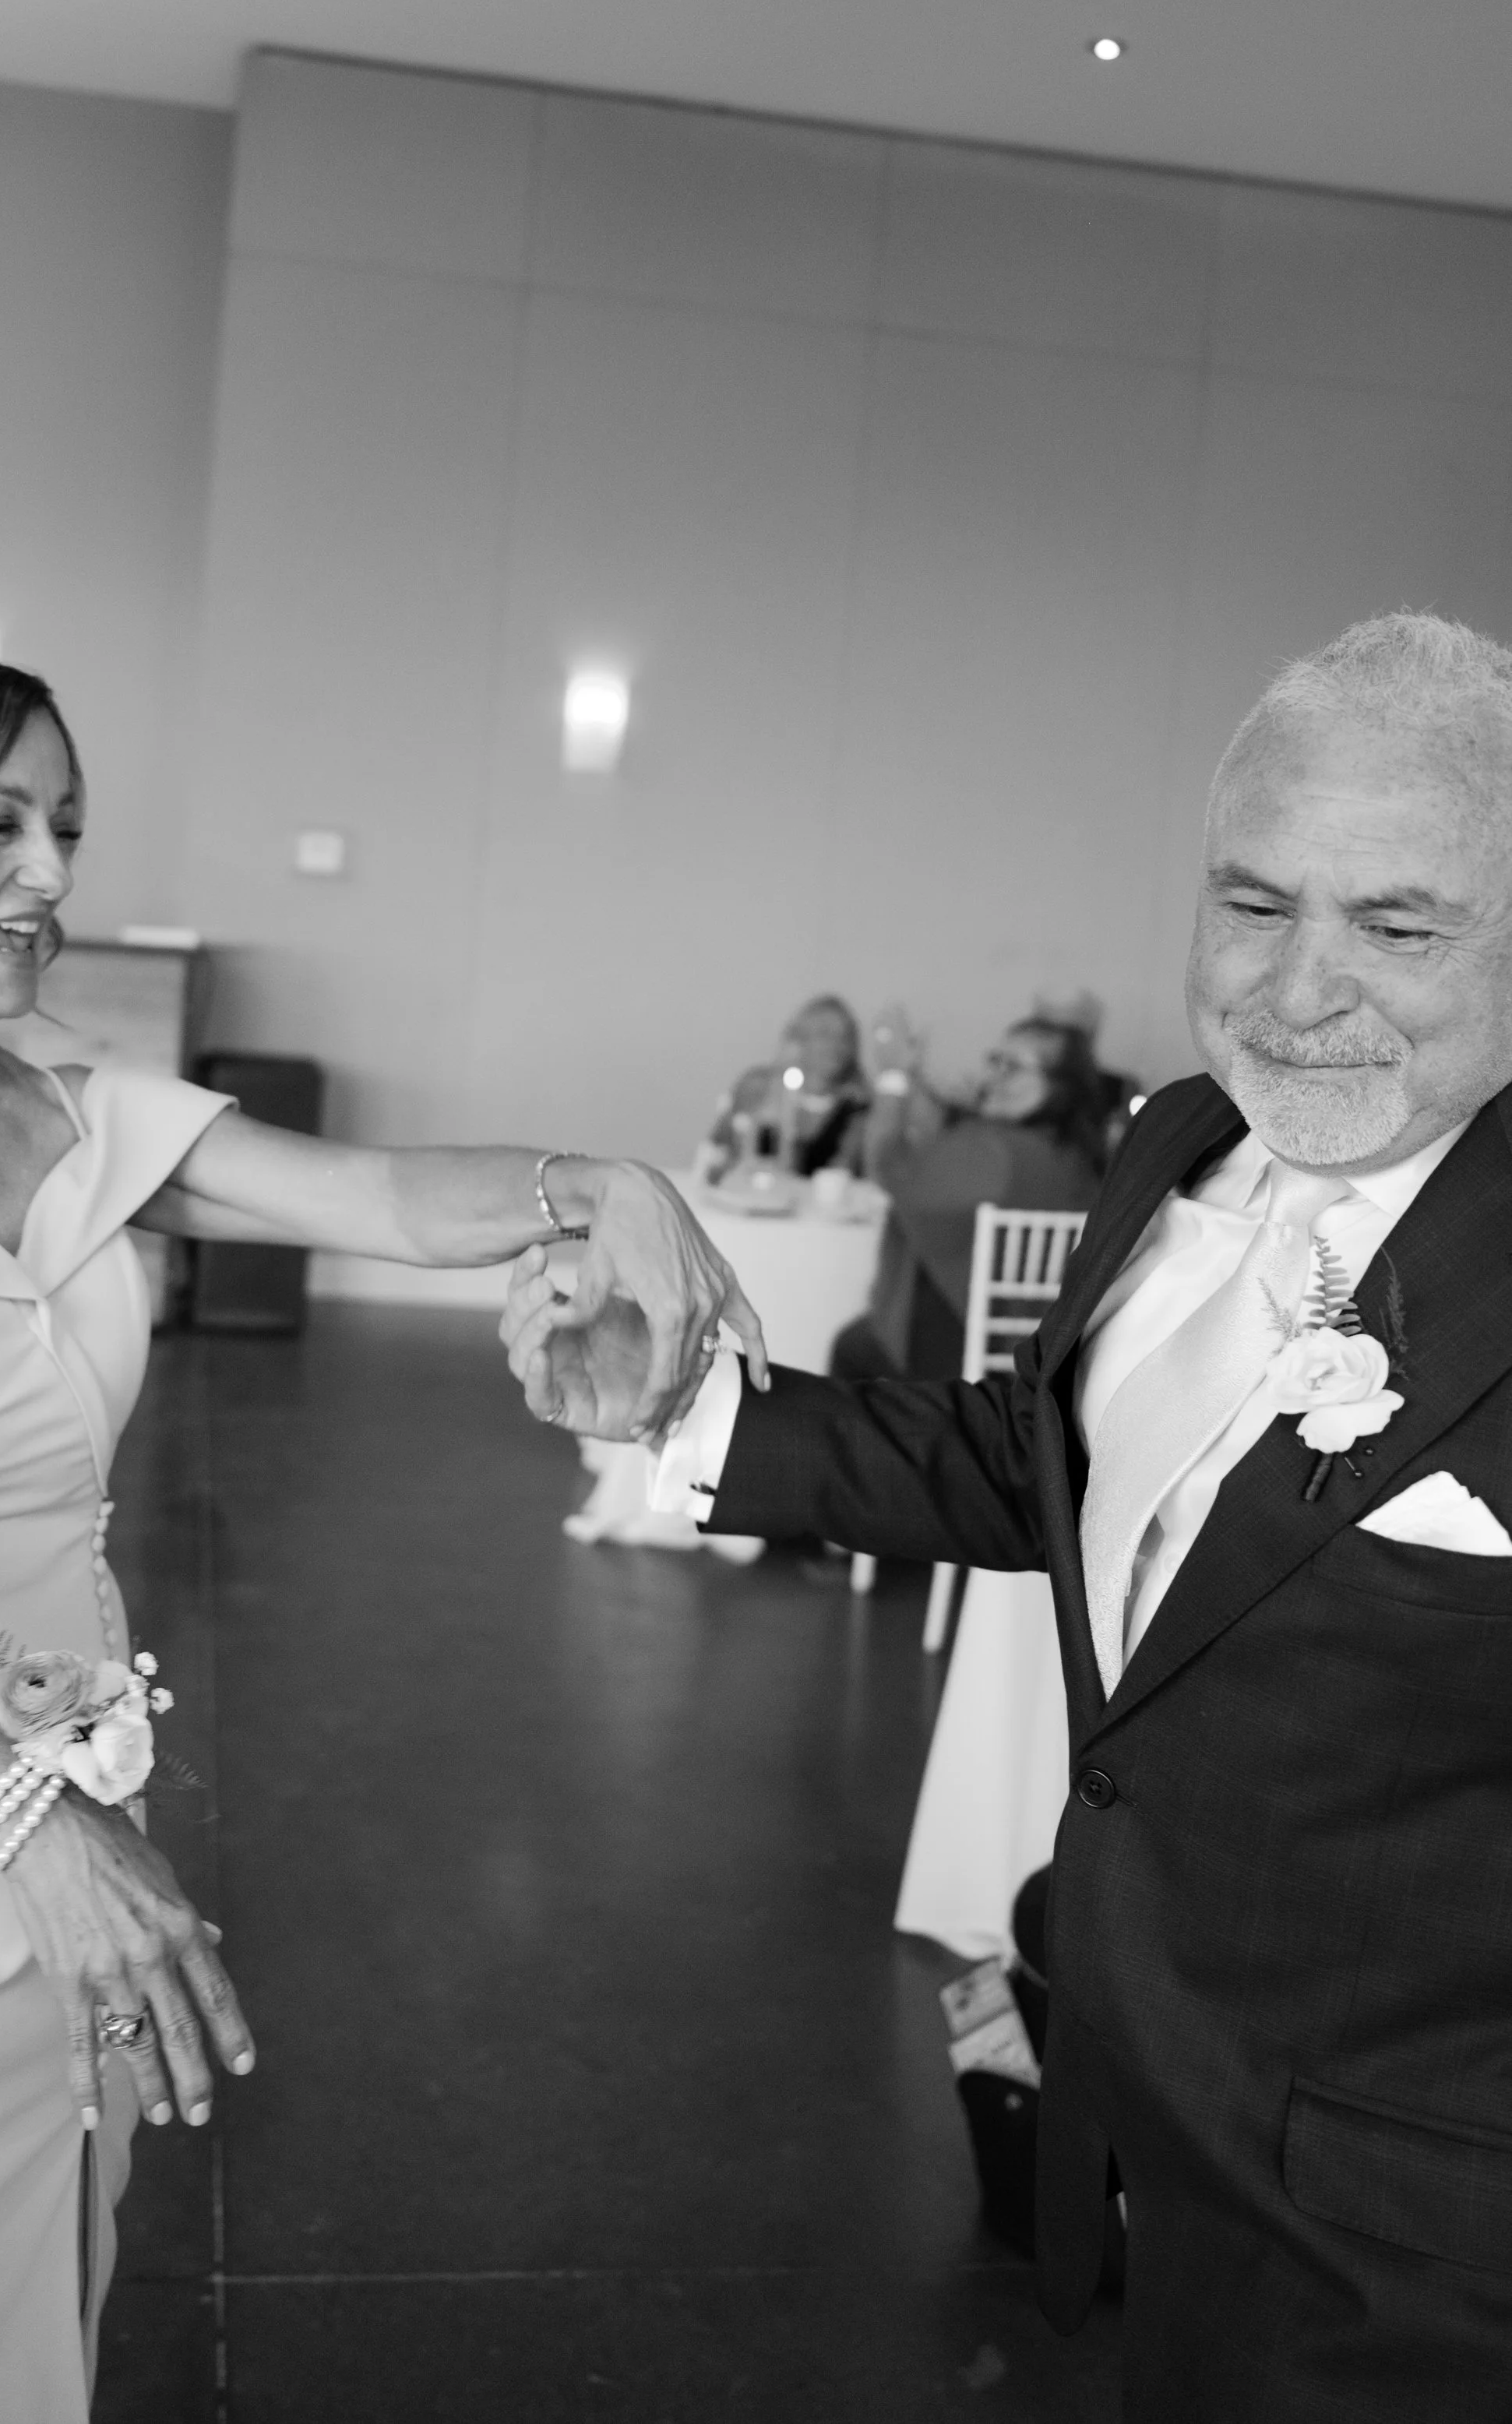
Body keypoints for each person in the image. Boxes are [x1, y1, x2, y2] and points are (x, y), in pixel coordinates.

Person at [0, 636, 764, 2424]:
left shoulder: (71, 1105)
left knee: (16, 2343)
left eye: (66, 822)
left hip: (59, 1845)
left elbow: (377, 1194)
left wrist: (612, 1184)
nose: (53, 870)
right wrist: (28, 1817)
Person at [503, 611, 1512, 2422]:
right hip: (1149, 2110)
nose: (1295, 988)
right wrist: (682, 1399)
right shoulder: (1178, 1142)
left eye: (1399, 922)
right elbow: (1033, 1453)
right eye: (1253, 900)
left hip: (1428, 2248)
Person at [834, 1015, 1107, 1382]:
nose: (993, 1077)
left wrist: (892, 1078)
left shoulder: (993, 1152)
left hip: (963, 1344)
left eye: (1013, 1068)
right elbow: (937, 1159)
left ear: (1059, 1087)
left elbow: (890, 1167)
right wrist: (915, 1079)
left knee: (851, 1348)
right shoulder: (1075, 1154)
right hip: (1048, 1347)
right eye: (995, 1061)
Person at [700, 993, 872, 1180]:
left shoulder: (855, 1107)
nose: (836, 1046)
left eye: (845, 1037)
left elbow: (846, 1173)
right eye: (825, 1034)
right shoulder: (758, 1086)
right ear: (799, 1039)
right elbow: (718, 1150)